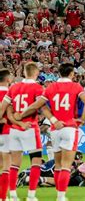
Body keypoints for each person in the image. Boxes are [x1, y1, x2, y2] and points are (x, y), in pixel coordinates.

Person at [18, 63, 85, 201]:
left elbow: (38, 105)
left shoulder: (51, 87)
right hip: (70, 127)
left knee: (57, 166)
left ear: (59, 73)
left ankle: (59, 195)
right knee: (66, 166)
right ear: (71, 74)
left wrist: (22, 114)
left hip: (55, 129)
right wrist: (82, 119)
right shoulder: (76, 86)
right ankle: (61, 197)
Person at [1, 63, 44, 201]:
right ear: (36, 72)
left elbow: (3, 109)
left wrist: (15, 118)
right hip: (30, 127)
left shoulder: (13, 87)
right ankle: (31, 195)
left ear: (24, 72)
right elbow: (39, 106)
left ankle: (12, 195)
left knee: (14, 164)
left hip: (14, 130)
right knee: (36, 161)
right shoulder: (38, 88)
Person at [0, 69, 11, 201]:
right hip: (6, 131)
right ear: (7, 79)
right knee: (6, 165)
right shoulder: (10, 93)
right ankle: (3, 197)